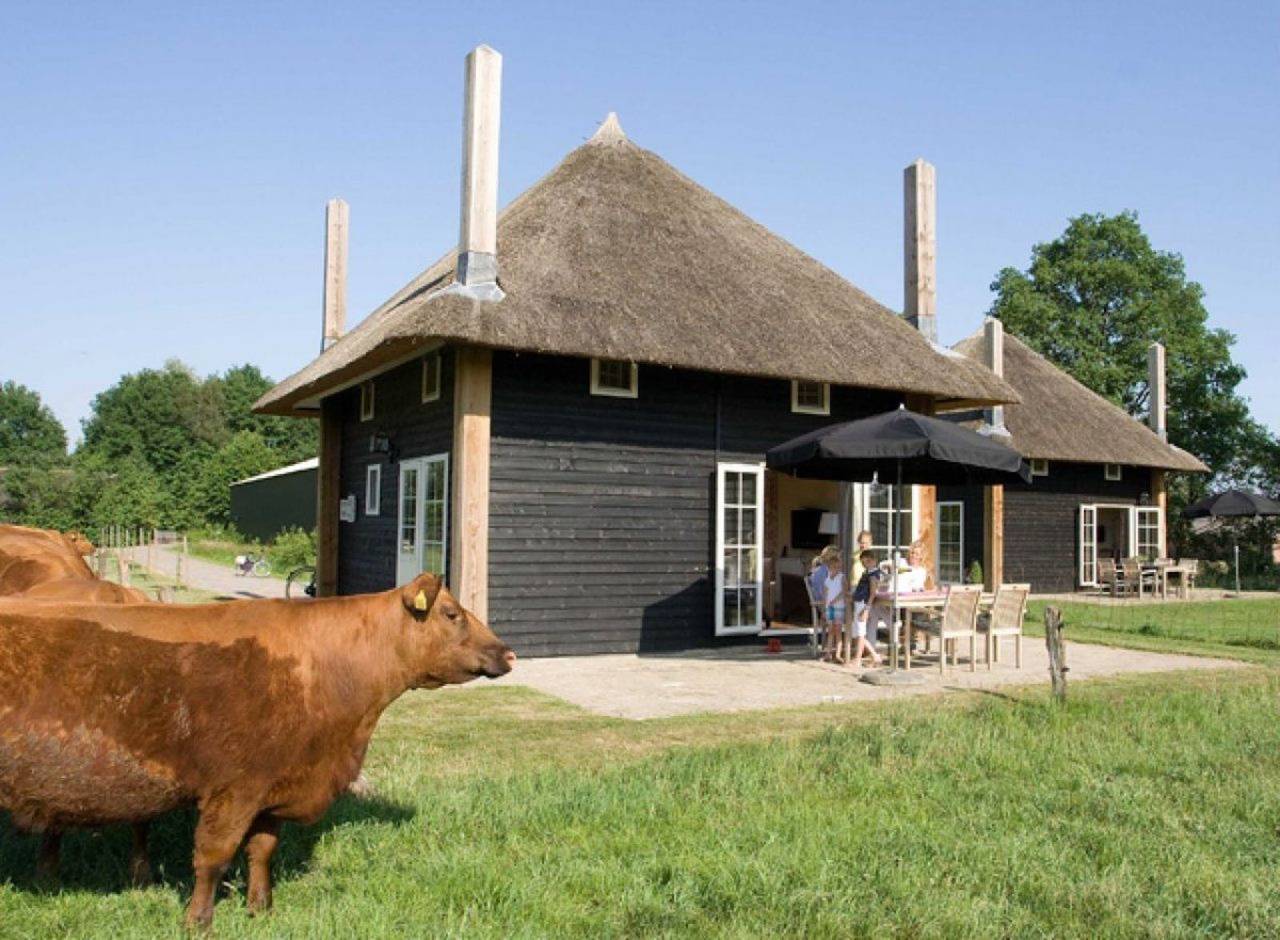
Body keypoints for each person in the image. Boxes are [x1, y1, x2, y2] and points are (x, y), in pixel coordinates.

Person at [851, 549, 885, 668]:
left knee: (860, 633)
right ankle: (875, 656)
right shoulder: (867, 572)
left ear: (874, 561)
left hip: (863, 604)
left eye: (869, 561)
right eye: (863, 562)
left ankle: (857, 659)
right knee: (857, 633)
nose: (866, 564)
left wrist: (866, 609)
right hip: (858, 602)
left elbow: (872, 593)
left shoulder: (873, 575)